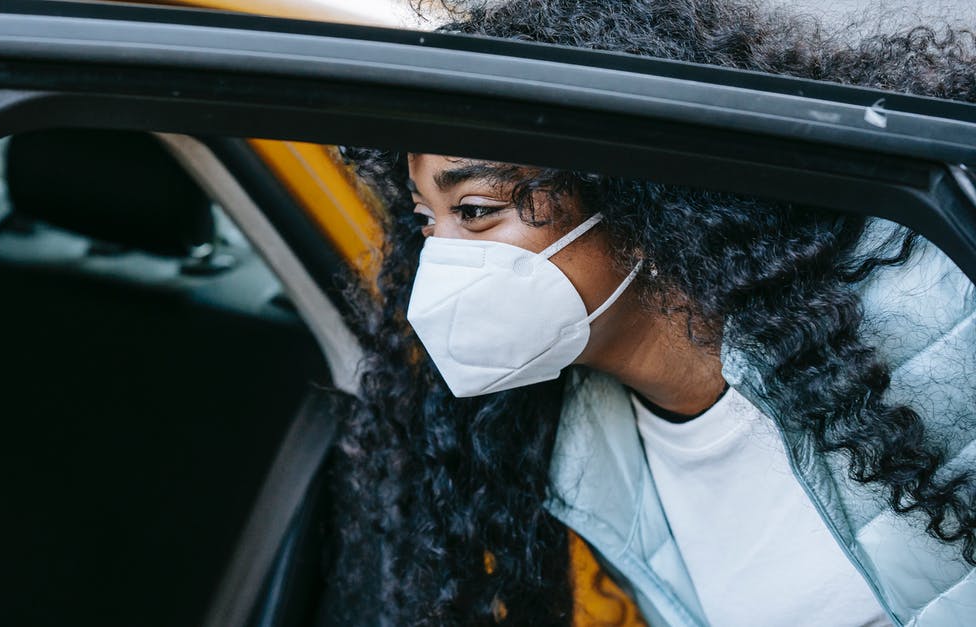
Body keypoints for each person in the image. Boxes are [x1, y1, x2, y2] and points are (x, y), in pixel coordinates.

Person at [328, 1, 976, 626]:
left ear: (633, 193)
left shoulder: (933, 296)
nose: (438, 261)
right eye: (424, 221)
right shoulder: (578, 455)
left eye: (474, 211)